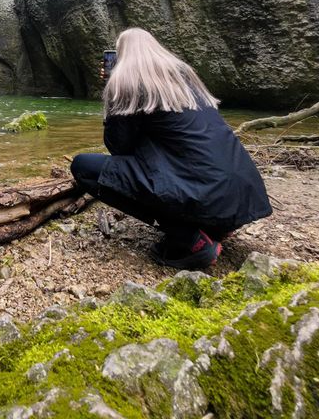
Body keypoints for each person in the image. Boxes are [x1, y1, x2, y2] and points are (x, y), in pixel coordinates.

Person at [71, 28, 271, 269]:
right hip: (241, 195)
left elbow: (118, 148)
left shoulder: (129, 82)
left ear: (123, 56)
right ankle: (215, 227)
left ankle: (193, 240)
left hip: (205, 192)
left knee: (83, 167)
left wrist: (112, 93)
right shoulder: (184, 78)